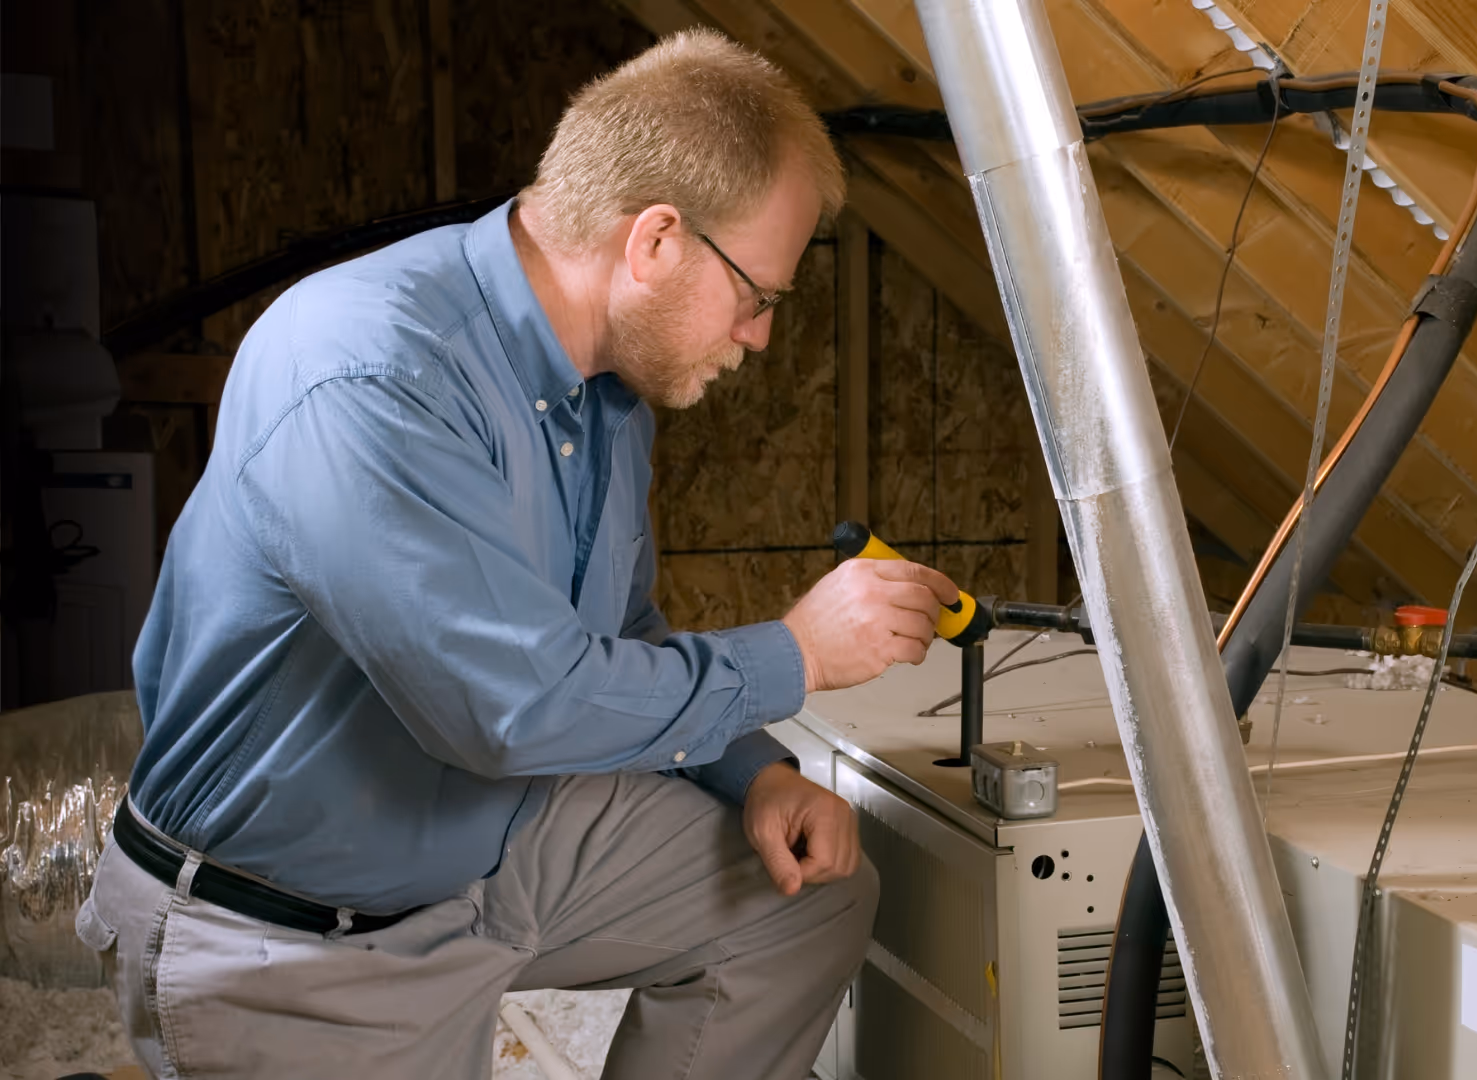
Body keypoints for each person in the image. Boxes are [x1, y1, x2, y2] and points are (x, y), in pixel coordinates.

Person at [75, 29, 957, 1079]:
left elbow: (616, 639)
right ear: (656, 242)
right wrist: (796, 655)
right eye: (758, 297)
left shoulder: (607, 392)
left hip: (483, 850)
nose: (759, 338)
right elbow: (509, 710)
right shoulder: (371, 372)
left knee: (808, 895)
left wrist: (758, 774)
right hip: (293, 937)